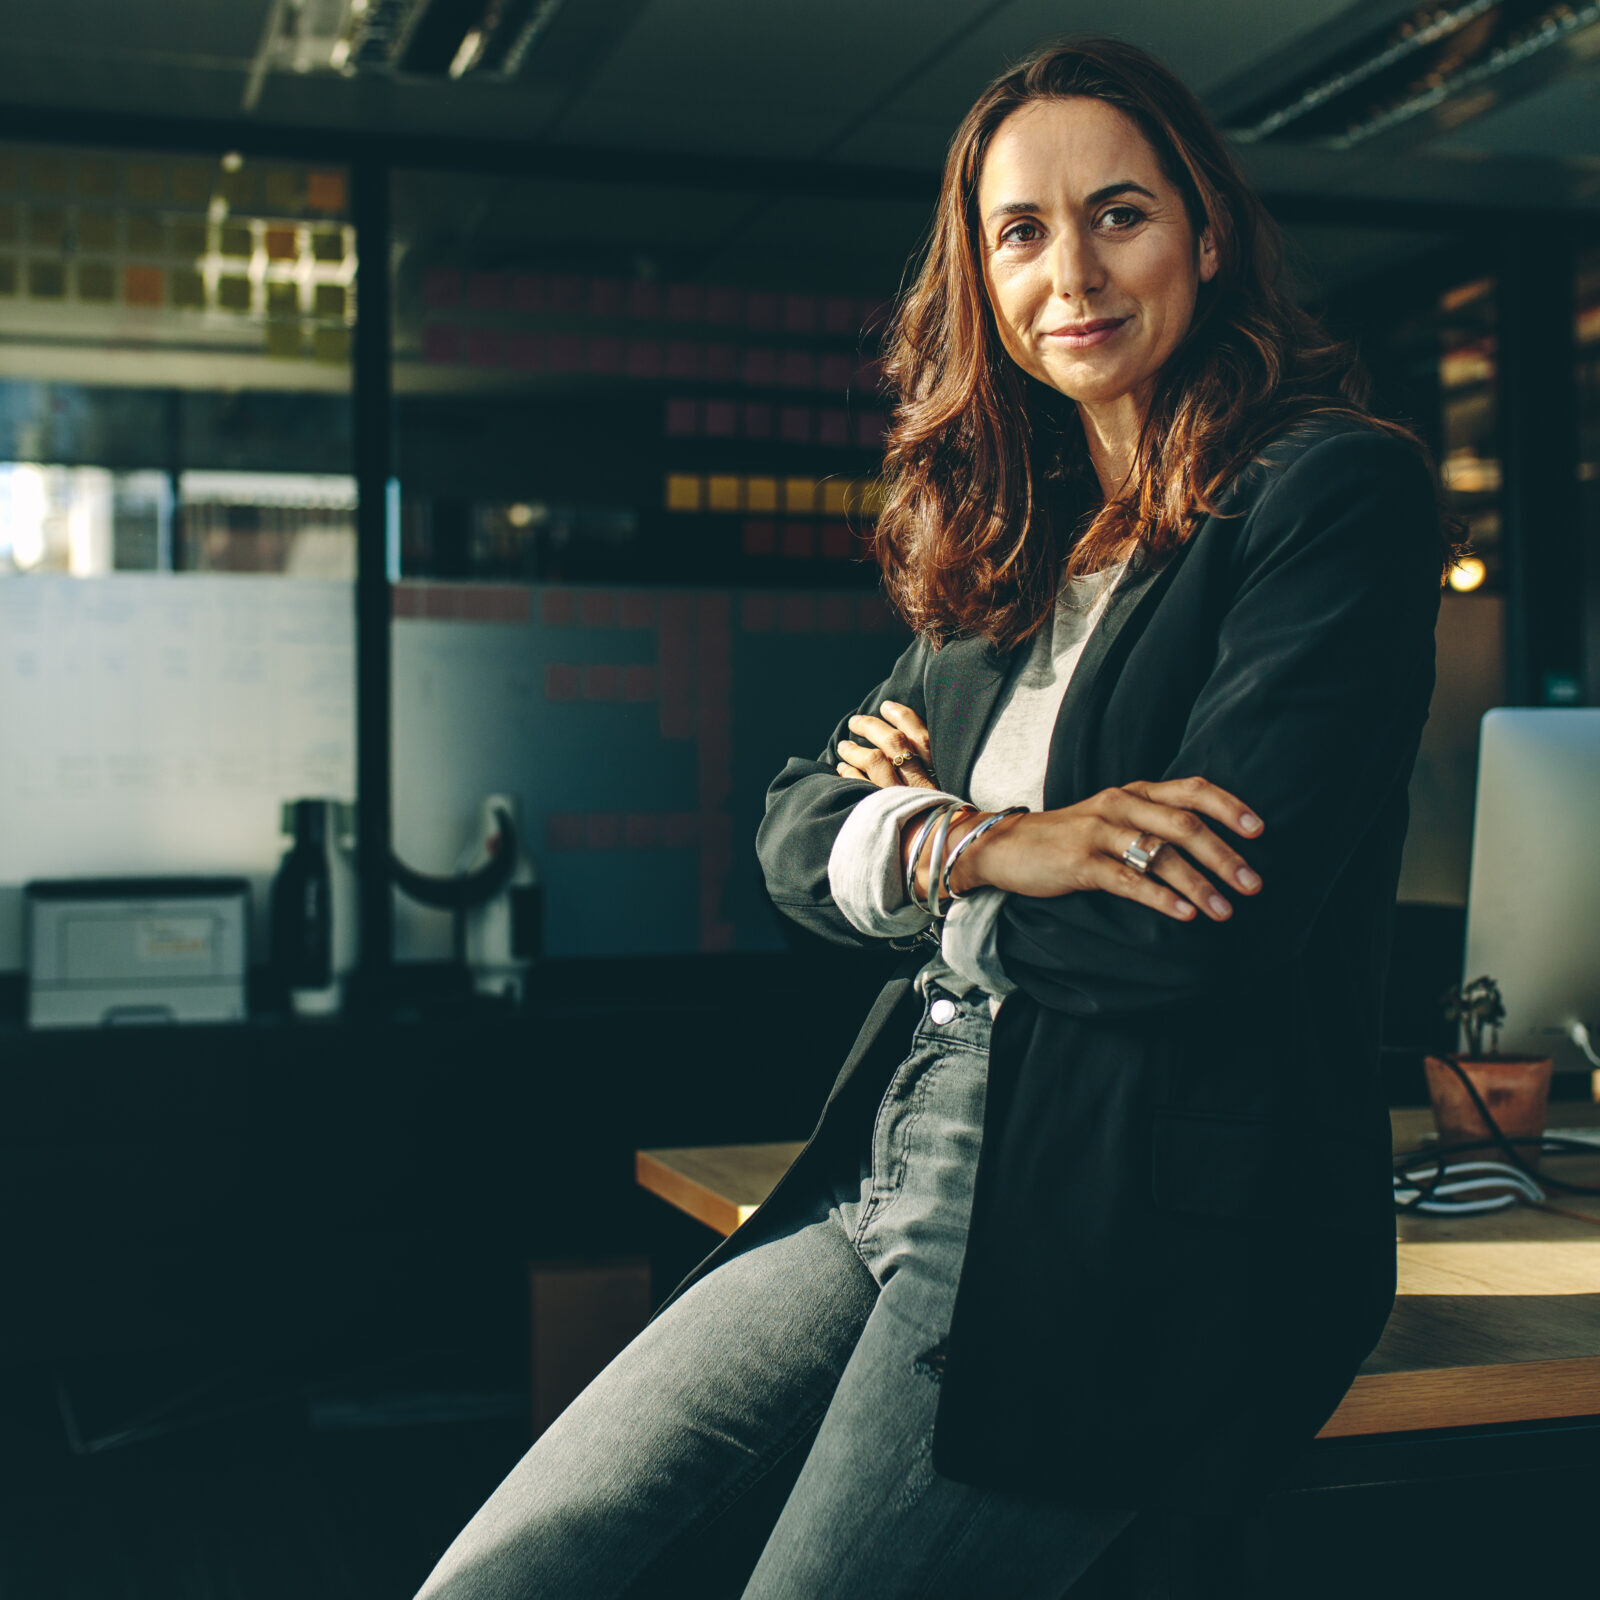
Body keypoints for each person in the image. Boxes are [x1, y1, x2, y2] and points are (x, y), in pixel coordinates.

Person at [414, 34, 1461, 1600]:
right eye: (1021, 233)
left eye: (1121, 214)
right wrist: (976, 840)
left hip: (1116, 1214)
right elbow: (789, 835)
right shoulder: (1014, 546)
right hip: (885, 1155)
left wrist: (917, 849)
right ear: (982, 274)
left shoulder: (1328, 500)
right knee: (503, 1574)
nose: (1072, 275)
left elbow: (1192, 932)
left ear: (1209, 232)